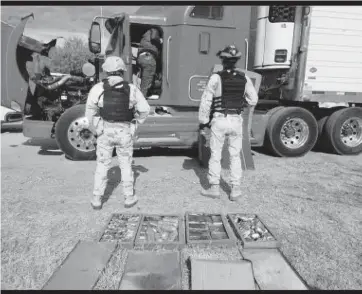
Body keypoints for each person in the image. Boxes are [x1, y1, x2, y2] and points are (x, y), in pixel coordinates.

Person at [85, 56, 150, 210]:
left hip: (105, 131)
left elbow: (90, 113)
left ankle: (96, 199)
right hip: (124, 131)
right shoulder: (132, 89)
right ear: (122, 71)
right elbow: (145, 110)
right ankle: (128, 198)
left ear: (106, 71)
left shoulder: (98, 88)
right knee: (126, 165)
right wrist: (134, 124)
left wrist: (96, 129)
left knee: (102, 165)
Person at [198, 45, 259, 201]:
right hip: (236, 120)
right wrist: (241, 103)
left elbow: (206, 101)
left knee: (216, 155)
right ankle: (235, 190)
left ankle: (214, 189)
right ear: (236, 61)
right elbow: (253, 99)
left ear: (223, 60)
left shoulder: (216, 77)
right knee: (235, 156)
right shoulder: (244, 78)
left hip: (219, 119)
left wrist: (203, 122)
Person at [136, 27, 163, 97]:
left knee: (144, 80)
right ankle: (142, 100)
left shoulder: (145, 36)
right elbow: (154, 37)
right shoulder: (154, 30)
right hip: (148, 58)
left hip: (142, 57)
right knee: (147, 82)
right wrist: (160, 40)